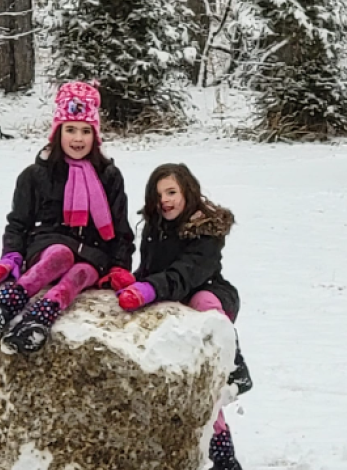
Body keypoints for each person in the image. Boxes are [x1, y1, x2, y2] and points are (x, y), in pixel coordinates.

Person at [0, 81, 135, 353]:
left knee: (81, 271)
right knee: (61, 254)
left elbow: (121, 230)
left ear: (95, 136)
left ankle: (41, 317)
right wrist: (11, 256)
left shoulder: (109, 176)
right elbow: (18, 223)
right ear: (57, 132)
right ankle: (5, 305)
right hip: (47, 245)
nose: (78, 139)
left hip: (94, 254)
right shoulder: (36, 174)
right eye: (70, 130)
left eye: (85, 131)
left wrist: (119, 266)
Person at [116, 163, 251, 470]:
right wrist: (132, 283)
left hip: (209, 295)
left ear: (188, 192)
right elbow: (152, 270)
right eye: (159, 194)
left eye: (172, 192)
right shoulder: (155, 227)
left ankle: (234, 364)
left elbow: (188, 273)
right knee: (201, 387)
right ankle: (221, 451)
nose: (165, 200)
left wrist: (151, 289)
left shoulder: (206, 230)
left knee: (203, 304)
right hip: (172, 302)